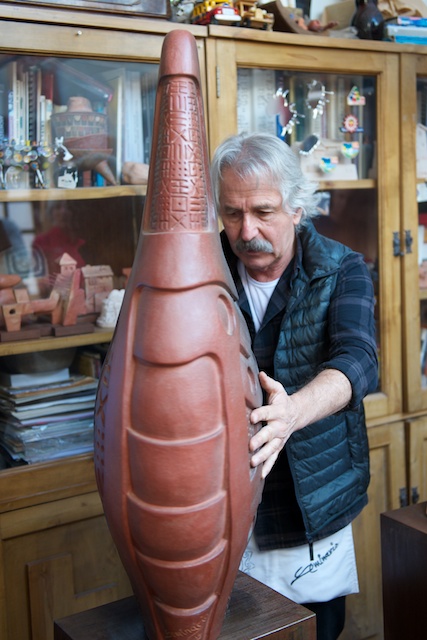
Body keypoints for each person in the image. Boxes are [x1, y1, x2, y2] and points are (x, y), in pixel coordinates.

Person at [210, 132, 378, 640]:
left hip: (312, 495)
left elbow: (358, 360)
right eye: (232, 213)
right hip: (222, 499)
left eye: (263, 211)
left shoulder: (341, 268)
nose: (247, 231)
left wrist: (292, 413)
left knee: (316, 628)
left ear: (297, 209)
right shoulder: (202, 270)